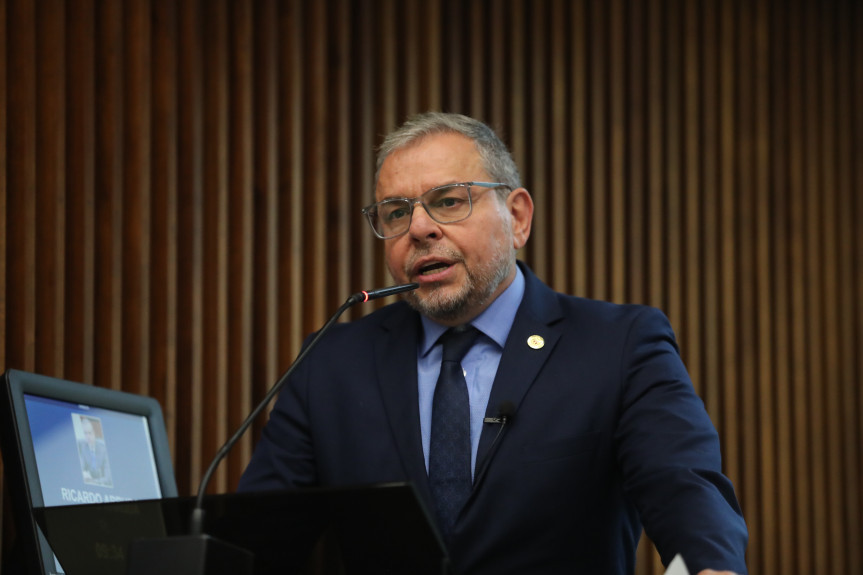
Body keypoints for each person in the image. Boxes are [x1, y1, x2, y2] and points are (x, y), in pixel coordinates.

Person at [238, 112, 748, 575]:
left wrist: (711, 567)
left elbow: (684, 489)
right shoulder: (331, 363)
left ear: (518, 218)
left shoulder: (618, 346)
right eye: (395, 213)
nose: (419, 228)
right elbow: (257, 543)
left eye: (448, 201)